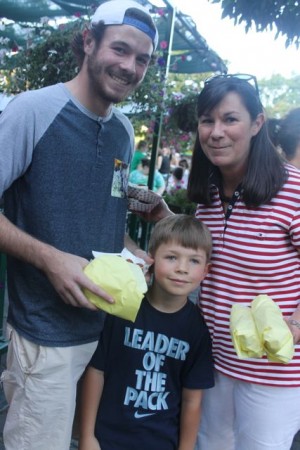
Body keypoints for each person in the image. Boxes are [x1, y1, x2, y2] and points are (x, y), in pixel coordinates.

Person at [0, 1, 158, 449]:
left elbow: (108, 212)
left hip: (102, 331)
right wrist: (50, 259)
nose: (129, 67)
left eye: (142, 59)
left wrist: (132, 252)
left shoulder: (123, 132)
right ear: (89, 41)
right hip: (43, 336)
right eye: (121, 50)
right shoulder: (32, 111)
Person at [186, 74, 300, 450]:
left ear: (257, 123)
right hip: (213, 363)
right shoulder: (209, 193)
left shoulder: (293, 190)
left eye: (230, 119)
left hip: (273, 373)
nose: (216, 132)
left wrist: (297, 324)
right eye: (207, 120)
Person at [79, 214, 214, 450]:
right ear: (151, 259)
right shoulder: (124, 309)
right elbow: (96, 372)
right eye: (172, 257)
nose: (182, 269)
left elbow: (192, 399)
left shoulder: (198, 330)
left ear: (205, 270)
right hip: (108, 438)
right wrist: (87, 436)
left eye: (194, 261)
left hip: (161, 443)